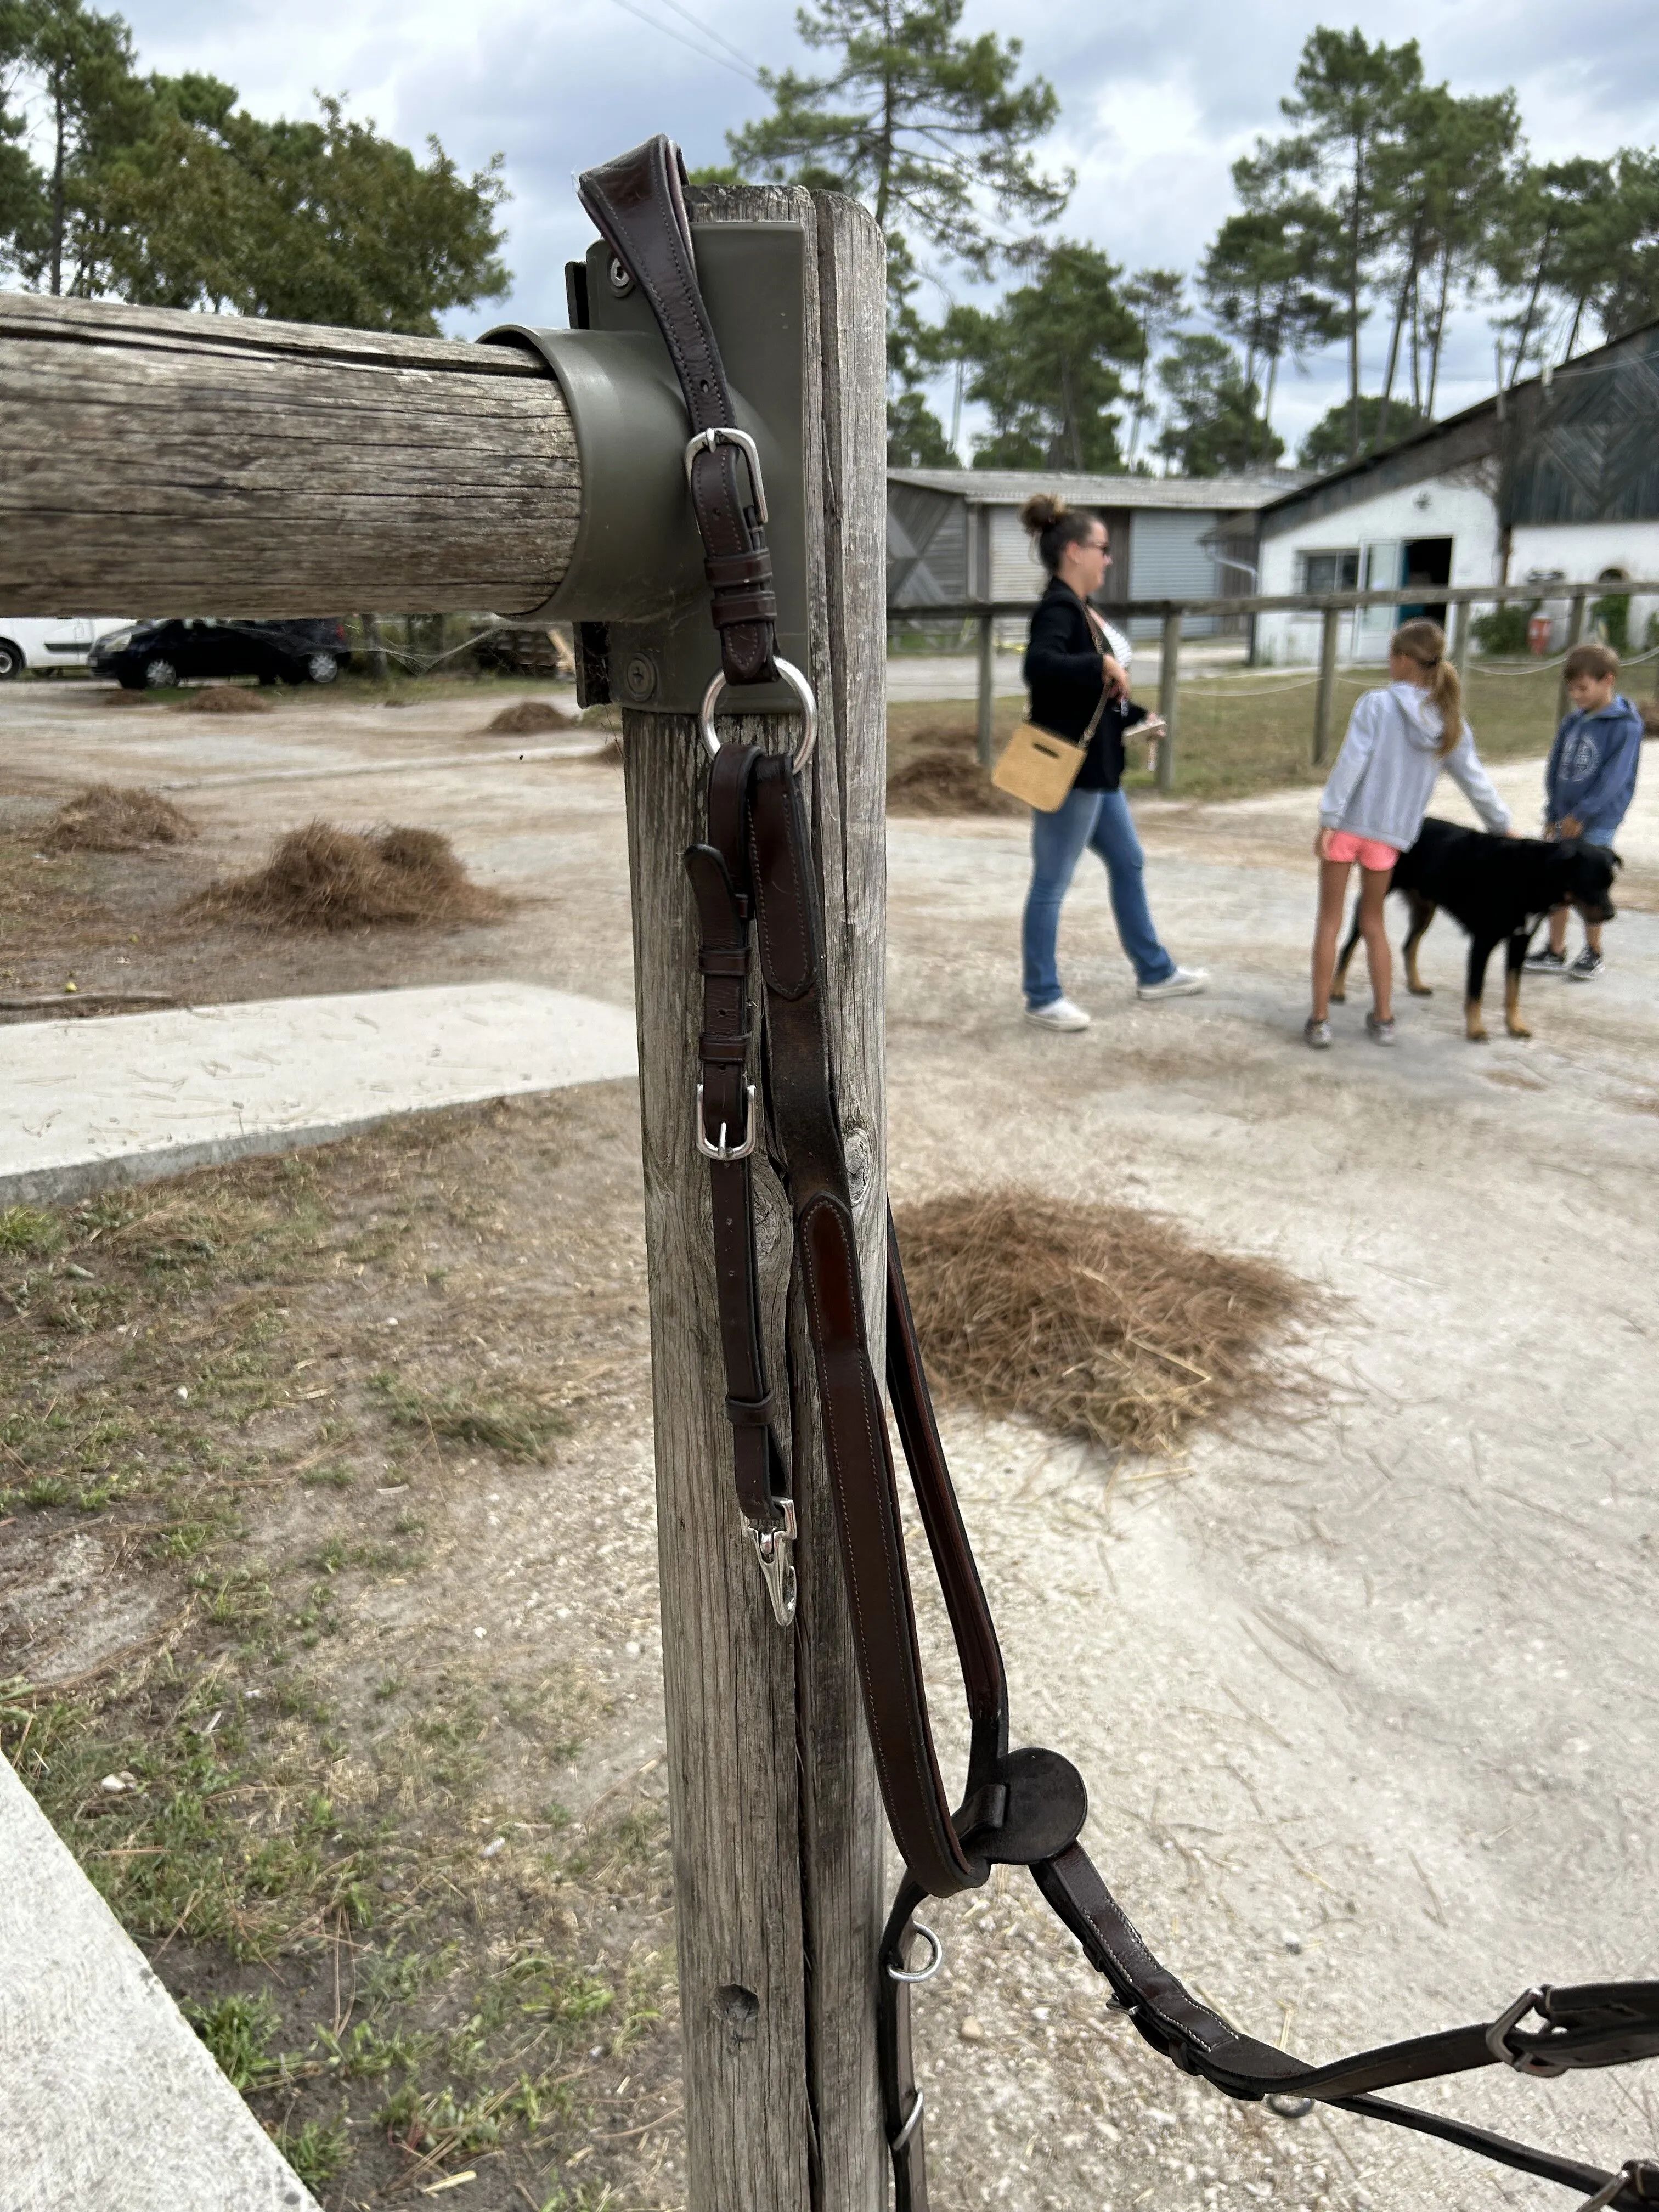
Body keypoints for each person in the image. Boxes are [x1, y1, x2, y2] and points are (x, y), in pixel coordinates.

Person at [1018, 494, 1206, 1031]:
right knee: (1052, 882)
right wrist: (1098, 661)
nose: (1109, 559)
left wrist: (1138, 715)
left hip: (1099, 771)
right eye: (1103, 548)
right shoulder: (1058, 607)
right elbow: (1041, 667)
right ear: (1074, 551)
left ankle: (1155, 972)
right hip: (1071, 773)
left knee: (1128, 862)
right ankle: (1042, 995)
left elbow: (1099, 695)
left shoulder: (1081, 610)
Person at [1306, 617, 1511, 1048]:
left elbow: (1351, 763)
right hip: (1390, 837)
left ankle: (1320, 1021)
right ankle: (1383, 1018)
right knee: (1375, 922)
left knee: (1330, 921)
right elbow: (1475, 780)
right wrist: (1502, 826)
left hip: (1347, 828)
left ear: (1401, 660)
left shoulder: (1375, 705)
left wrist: (1329, 816)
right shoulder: (1450, 720)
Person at [1525, 641, 1643, 980]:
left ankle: (1593, 952)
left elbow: (1614, 779)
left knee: (1590, 883)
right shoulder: (1572, 722)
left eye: (1583, 688)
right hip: (1563, 817)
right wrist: (1553, 812)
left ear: (1608, 680)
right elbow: (1555, 768)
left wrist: (1583, 813)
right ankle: (1555, 949)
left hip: (1598, 821)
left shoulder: (1626, 726)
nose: (1576, 695)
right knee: (1557, 882)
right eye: (1572, 689)